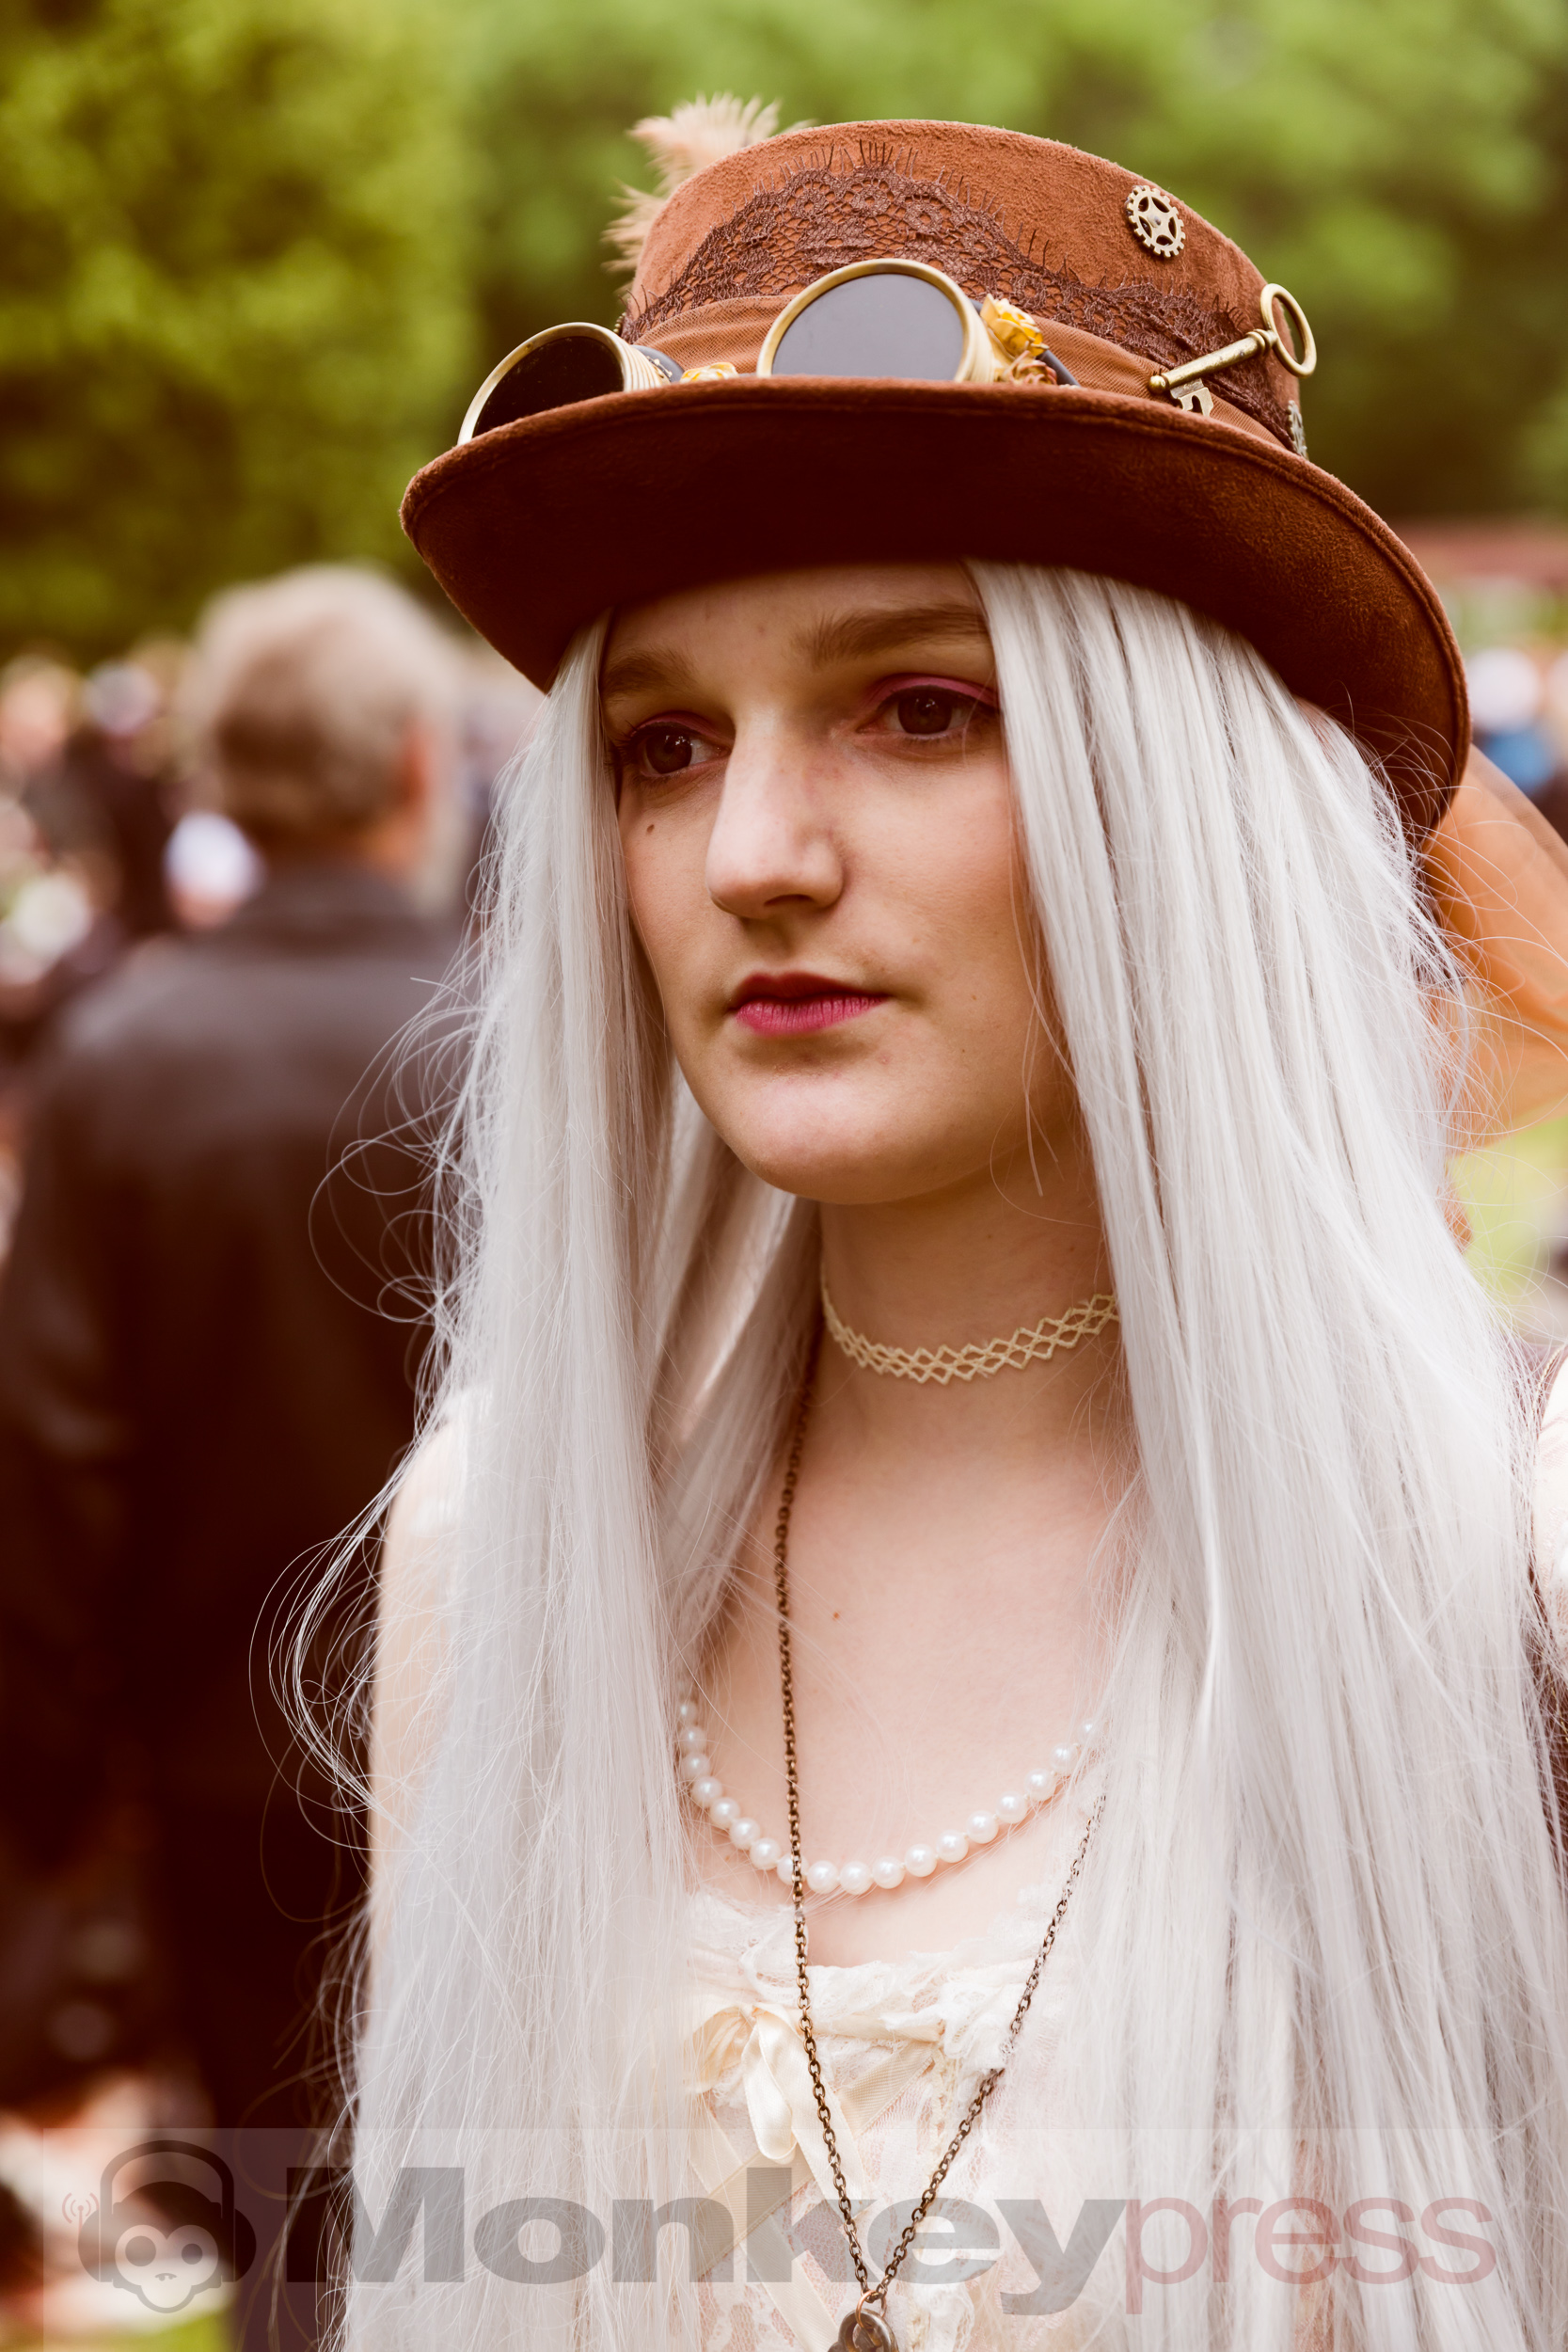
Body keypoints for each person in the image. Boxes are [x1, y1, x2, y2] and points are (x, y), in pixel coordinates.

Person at [348, 109, 1568, 2352]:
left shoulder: (1511, 1567)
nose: (755, 852)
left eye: (921, 708)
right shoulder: (498, 1541)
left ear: (1175, 788)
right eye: (662, 743)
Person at [0, 566, 461, 2151]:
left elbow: (50, 1454)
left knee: (278, 2203)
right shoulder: (510, 1035)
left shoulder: (122, 1057)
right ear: (417, 761)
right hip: (514, 1748)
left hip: (221, 1770)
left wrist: (53, 1791)